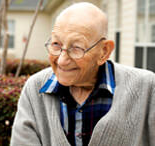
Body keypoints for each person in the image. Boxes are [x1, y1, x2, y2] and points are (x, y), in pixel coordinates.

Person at [10, 2, 155, 146]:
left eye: (76, 48)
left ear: (104, 52)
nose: (62, 60)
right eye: (56, 44)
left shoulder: (147, 88)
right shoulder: (35, 89)